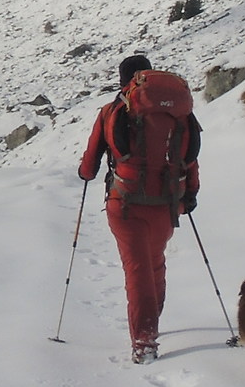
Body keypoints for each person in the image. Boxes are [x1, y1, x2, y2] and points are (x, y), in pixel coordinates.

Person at [78, 54, 201, 363]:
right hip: (166, 204)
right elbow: (189, 157)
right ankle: (152, 320)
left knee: (137, 271)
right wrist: (189, 195)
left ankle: (144, 341)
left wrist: (85, 173)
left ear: (124, 80)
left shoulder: (112, 111)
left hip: (126, 203)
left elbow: (91, 163)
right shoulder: (178, 115)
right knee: (154, 263)